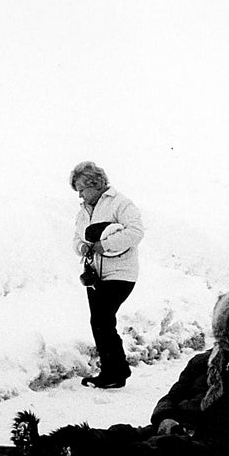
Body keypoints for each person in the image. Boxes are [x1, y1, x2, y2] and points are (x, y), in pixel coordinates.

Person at [17, 284, 229, 456]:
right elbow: (171, 397)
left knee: (158, 450)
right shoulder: (204, 361)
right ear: (225, 326)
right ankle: (49, 446)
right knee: (125, 434)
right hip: (186, 430)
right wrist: (165, 419)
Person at [70, 161, 144, 389]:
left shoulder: (120, 203)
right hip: (95, 276)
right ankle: (115, 370)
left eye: (82, 189)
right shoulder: (83, 211)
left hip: (120, 273)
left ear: (95, 183)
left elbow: (136, 232)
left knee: (102, 320)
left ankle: (115, 372)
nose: (80, 196)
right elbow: (77, 238)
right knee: (100, 321)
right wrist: (82, 248)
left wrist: (106, 245)